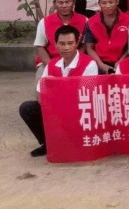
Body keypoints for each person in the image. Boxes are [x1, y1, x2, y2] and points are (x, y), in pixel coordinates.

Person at [20, 25, 98, 157]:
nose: (66, 48)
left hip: (78, 109)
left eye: (70, 43)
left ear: (77, 44)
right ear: (55, 45)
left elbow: (87, 95)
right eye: (62, 44)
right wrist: (50, 108)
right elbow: (40, 92)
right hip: (55, 107)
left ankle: (74, 141)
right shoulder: (52, 64)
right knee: (27, 108)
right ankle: (48, 143)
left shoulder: (89, 64)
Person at [34, 0, 87, 84]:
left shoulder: (84, 20)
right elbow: (40, 46)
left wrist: (76, 62)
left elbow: (84, 45)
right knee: (41, 87)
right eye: (60, 3)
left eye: (68, 2)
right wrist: (51, 66)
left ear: (73, 2)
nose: (64, 6)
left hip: (76, 62)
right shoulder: (44, 22)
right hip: (50, 62)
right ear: (54, 3)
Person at [84, 0, 129, 74]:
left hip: (123, 63)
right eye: (104, 3)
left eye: (111, 2)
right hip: (99, 64)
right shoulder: (91, 22)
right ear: (99, 3)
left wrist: (121, 61)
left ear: (117, 2)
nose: (107, 6)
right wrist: (101, 65)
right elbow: (89, 48)